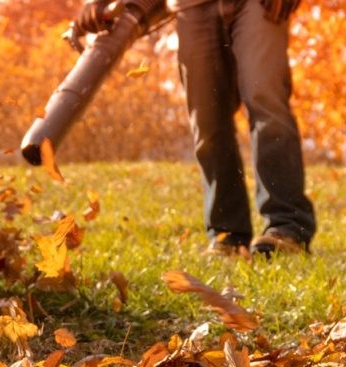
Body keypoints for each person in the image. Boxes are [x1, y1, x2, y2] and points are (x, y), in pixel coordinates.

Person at [76, 0, 316, 257]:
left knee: (265, 98)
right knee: (207, 121)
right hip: (192, 6)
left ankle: (287, 228)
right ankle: (228, 235)